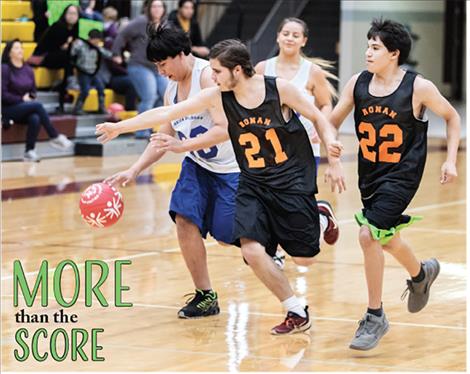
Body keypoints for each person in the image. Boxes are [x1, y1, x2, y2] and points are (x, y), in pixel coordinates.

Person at [96, 37, 346, 334]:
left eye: (217, 72)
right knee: (249, 249)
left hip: (287, 177)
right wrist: (119, 127)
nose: (211, 78)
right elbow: (165, 115)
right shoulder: (217, 95)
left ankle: (317, 217)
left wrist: (331, 147)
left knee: (303, 257)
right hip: (252, 180)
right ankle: (295, 310)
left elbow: (318, 116)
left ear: (237, 70)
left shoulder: (278, 88)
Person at [328, 19, 460, 350]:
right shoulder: (357, 84)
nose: (368, 52)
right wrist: (331, 156)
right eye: (368, 46)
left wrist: (450, 159)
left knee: (368, 234)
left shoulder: (418, 87)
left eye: (375, 48)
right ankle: (421, 273)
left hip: (403, 175)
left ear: (393, 54)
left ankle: (375, 316)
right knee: (386, 241)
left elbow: (453, 117)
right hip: (370, 176)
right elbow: (328, 123)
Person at [255, 17, 341, 265]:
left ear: (304, 40)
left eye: (295, 35)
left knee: (294, 202)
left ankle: (320, 215)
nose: (290, 38)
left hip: (303, 147)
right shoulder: (262, 69)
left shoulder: (312, 72)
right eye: (286, 33)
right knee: (268, 197)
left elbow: (325, 104)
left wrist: (320, 126)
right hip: (269, 147)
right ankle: (276, 252)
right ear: (278, 36)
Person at [2, 40, 74, 162]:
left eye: (21, 47)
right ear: (9, 53)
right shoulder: (4, 69)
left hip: (25, 107)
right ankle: (54, 136)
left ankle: (29, 151)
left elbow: (33, 91)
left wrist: (31, 97)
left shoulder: (28, 70)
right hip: (7, 108)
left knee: (35, 118)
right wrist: (21, 99)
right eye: (16, 48)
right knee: (38, 106)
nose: (20, 50)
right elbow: (2, 94)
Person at [112, 0, 168, 138]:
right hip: (139, 65)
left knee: (165, 95)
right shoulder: (140, 22)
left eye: (159, 6)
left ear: (164, 9)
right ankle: (141, 131)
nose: (156, 9)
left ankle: (154, 127)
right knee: (149, 96)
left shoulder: (166, 25)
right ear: (148, 8)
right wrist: (116, 53)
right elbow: (121, 35)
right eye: (154, 6)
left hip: (158, 67)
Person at [31, 4, 80, 112]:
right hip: (45, 56)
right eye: (70, 13)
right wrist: (64, 46)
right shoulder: (58, 26)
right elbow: (47, 46)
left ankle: (64, 87)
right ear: (65, 14)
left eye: (75, 14)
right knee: (68, 58)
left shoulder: (75, 30)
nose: (72, 16)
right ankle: (64, 91)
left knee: (72, 58)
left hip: (61, 59)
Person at [70, 29, 112, 114]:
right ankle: (77, 108)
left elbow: (108, 54)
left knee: (101, 88)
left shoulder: (97, 48)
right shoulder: (81, 44)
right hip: (83, 71)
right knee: (85, 90)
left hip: (93, 71)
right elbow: (72, 52)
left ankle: (101, 107)